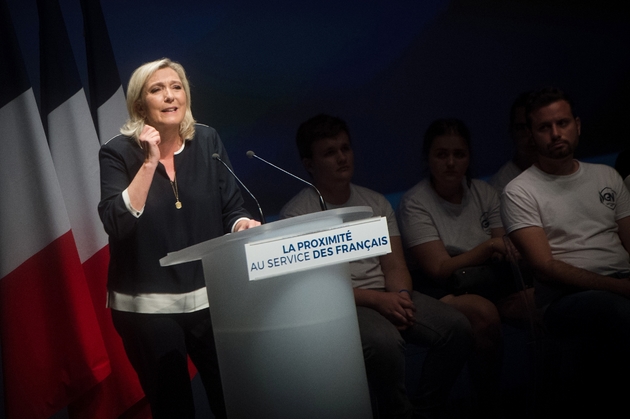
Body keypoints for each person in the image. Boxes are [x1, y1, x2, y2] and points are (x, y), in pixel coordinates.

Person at [279, 114, 472, 419]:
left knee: (457, 327)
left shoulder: (375, 203)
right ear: (309, 164)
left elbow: (395, 265)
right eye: (330, 152)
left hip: (388, 293)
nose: (342, 158)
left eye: (345, 148)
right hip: (344, 305)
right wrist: (378, 301)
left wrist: (401, 297)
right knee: (384, 342)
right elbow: (317, 290)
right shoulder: (296, 216)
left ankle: (427, 408)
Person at [98, 58, 260, 419]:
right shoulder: (117, 152)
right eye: (157, 89)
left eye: (176, 87)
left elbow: (231, 208)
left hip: (209, 299)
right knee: (174, 409)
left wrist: (241, 225)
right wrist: (149, 162)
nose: (170, 96)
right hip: (147, 308)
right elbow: (115, 222)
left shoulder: (207, 140)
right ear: (140, 105)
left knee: (235, 402)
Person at [501, 87, 630, 415]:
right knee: (616, 310)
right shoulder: (520, 191)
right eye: (544, 127)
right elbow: (545, 268)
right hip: (564, 299)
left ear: (578, 125)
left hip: (621, 282)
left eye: (562, 123)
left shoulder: (606, 176)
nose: (556, 133)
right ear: (532, 135)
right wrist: (620, 287)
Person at [397, 118, 514, 417]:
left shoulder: (485, 192)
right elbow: (438, 268)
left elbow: (505, 249)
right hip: (440, 288)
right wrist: (488, 247)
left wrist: (496, 249)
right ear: (428, 158)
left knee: (538, 305)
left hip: (490, 279)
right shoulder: (415, 202)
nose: (450, 162)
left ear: (469, 157)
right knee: (483, 314)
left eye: (459, 154)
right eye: (441, 154)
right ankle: (487, 404)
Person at [489, 91, 537, 192]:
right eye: (521, 128)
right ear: (511, 132)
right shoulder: (502, 186)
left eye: (536, 126)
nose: (529, 134)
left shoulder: (563, 170)